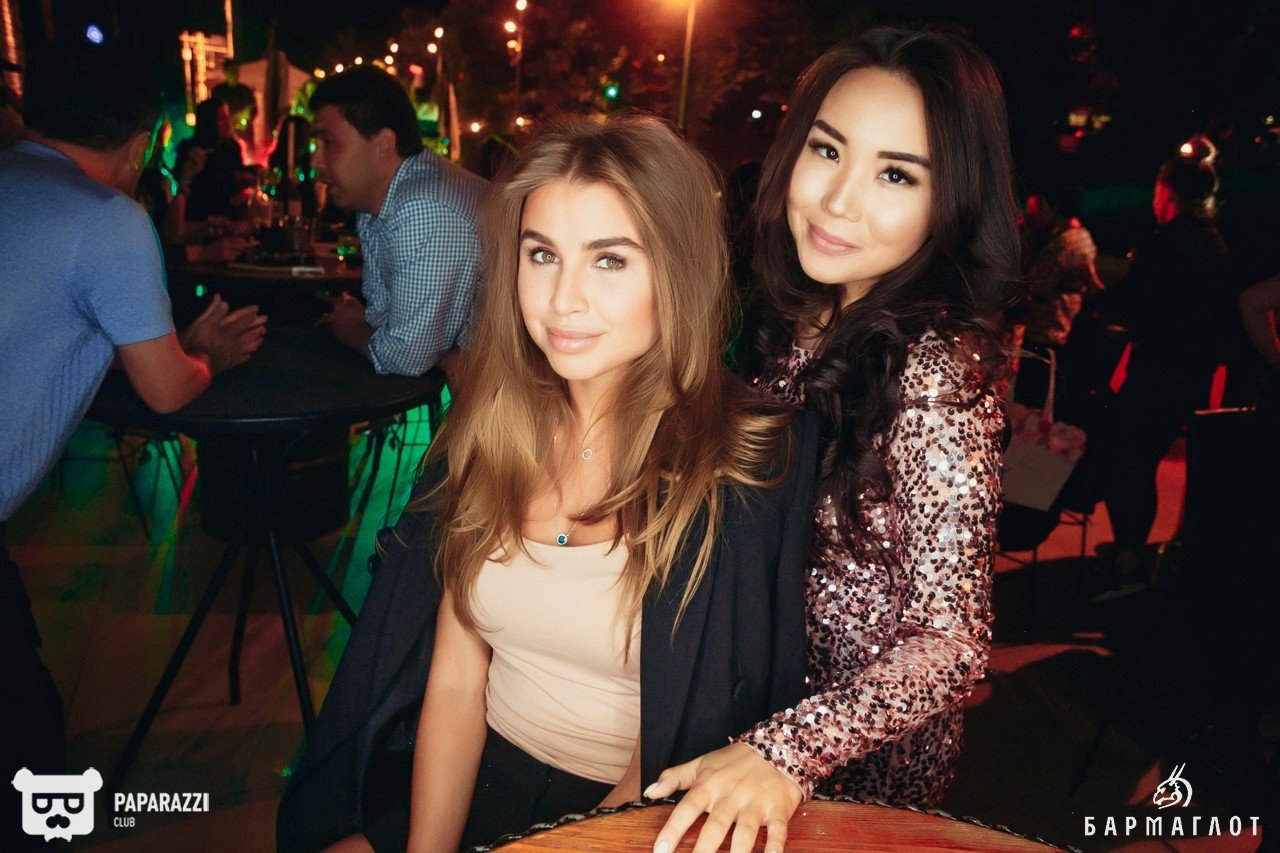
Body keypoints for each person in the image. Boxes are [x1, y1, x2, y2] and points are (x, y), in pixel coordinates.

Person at [275, 115, 821, 853]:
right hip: (475, 773)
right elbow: (457, 684)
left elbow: (675, 737)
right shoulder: (491, 428)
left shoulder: (736, 466)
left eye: (609, 260)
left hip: (628, 814)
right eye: (542, 254)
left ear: (678, 271)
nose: (564, 299)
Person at [647, 28, 1019, 852]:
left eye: (896, 174)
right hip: (742, 710)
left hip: (843, 778)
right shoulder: (790, 317)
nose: (840, 199)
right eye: (827, 149)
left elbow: (953, 641)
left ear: (952, 198)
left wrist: (790, 749)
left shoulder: (933, 375)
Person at [0, 43, 265, 852]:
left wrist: (161, 349)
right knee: (27, 734)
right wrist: (206, 356)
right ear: (144, 141)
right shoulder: (105, 217)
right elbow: (167, 390)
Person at [1090, 139, 1234, 580]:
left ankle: (1129, 561)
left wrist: (1099, 294)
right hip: (1192, 372)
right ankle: (1132, 551)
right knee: (1142, 459)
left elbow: (1133, 302)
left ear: (1167, 192)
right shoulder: (1213, 240)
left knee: (1127, 462)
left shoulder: (1167, 241)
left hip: (1157, 371)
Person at [309, 66, 487, 380]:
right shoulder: (381, 201)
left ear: (384, 143)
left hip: (514, 394)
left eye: (329, 143)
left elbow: (407, 357)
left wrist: (351, 330)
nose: (315, 161)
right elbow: (382, 317)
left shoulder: (423, 206)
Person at [173, 97, 254, 221]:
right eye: (221, 119)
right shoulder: (190, 149)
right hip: (196, 218)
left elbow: (236, 178)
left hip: (227, 217)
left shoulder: (232, 147)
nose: (228, 123)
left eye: (228, 117)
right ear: (208, 121)